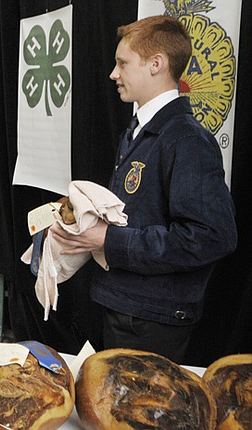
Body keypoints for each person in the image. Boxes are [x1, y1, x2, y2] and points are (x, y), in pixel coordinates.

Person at [50, 15, 237, 363]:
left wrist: (109, 239)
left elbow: (212, 236)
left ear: (156, 64)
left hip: (151, 319)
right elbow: (136, 211)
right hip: (125, 305)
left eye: (122, 63)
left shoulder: (186, 139)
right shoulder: (138, 130)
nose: (113, 74)